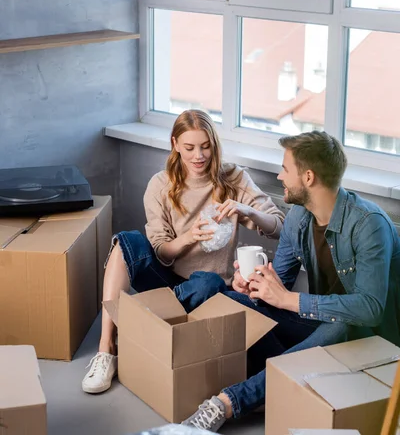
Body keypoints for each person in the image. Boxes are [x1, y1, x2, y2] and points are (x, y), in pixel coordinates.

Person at [182, 131, 400, 433]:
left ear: (308, 177)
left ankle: (226, 403)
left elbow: (370, 310)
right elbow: (278, 286)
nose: (279, 175)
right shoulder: (298, 217)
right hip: (317, 328)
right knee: (234, 301)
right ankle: (275, 385)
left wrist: (288, 300)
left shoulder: (368, 225)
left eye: (285, 169)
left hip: (368, 341)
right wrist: (253, 287)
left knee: (340, 324)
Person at [82, 109, 285, 394]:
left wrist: (246, 209)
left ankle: (146, 321)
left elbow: (278, 226)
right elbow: (162, 253)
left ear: (214, 144)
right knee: (125, 241)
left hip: (213, 289)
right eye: (189, 148)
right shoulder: (160, 185)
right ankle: (106, 349)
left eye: (205, 146)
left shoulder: (234, 178)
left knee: (208, 281)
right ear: (175, 144)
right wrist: (189, 238)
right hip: (168, 280)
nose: (198, 156)